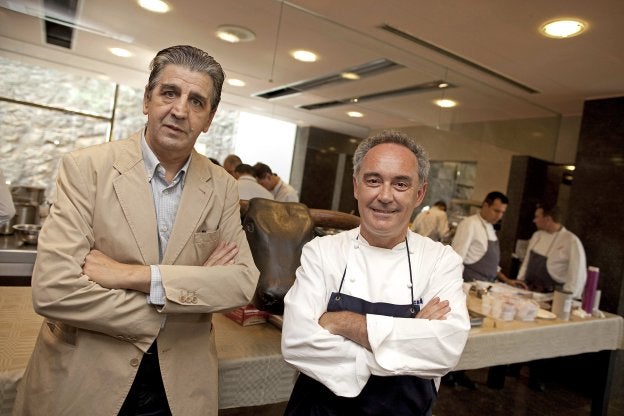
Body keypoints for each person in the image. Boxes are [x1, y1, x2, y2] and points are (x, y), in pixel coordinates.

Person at [13, 45, 260, 416]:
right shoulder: (87, 170)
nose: (180, 110)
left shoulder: (223, 187)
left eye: (197, 101)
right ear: (147, 99)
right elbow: (54, 290)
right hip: (85, 379)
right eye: (170, 93)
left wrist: (133, 276)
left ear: (209, 119)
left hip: (179, 388)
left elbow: (240, 284)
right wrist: (186, 297)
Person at [281, 130, 470, 415]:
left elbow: (445, 349)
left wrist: (340, 322)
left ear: (419, 194)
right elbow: (296, 342)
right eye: (373, 180)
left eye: (401, 184)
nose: (384, 196)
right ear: (356, 187)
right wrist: (410, 340)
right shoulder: (321, 252)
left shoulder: (441, 261)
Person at [451, 191, 526, 288]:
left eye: (502, 212)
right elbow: (457, 258)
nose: (499, 216)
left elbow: (492, 266)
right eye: (496, 211)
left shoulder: (490, 227)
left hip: (487, 286)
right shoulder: (469, 223)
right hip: (470, 285)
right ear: (486, 205)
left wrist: (507, 281)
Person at [517, 203, 586, 298]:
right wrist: (520, 279)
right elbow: (527, 261)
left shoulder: (571, 241)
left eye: (537, 217)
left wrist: (567, 298)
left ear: (548, 219)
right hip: (528, 290)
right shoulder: (537, 235)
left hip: (551, 295)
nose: (534, 221)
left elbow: (577, 274)